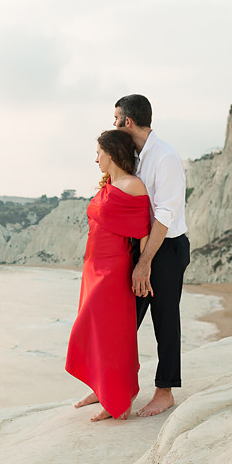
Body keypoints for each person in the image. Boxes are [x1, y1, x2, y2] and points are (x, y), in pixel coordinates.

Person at [67, 129, 152, 421]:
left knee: (111, 335)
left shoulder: (133, 185)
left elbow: (142, 231)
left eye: (99, 153)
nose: (95, 159)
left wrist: (142, 270)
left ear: (112, 154)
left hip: (113, 270)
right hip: (92, 266)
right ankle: (101, 388)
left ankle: (118, 399)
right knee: (92, 331)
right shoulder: (109, 184)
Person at [113, 94, 189, 417]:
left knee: (165, 320)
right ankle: (112, 386)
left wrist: (144, 264)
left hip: (167, 249)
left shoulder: (164, 157)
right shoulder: (137, 156)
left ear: (127, 121)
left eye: (116, 119)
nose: (113, 124)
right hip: (145, 248)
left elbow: (165, 216)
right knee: (123, 319)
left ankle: (164, 391)